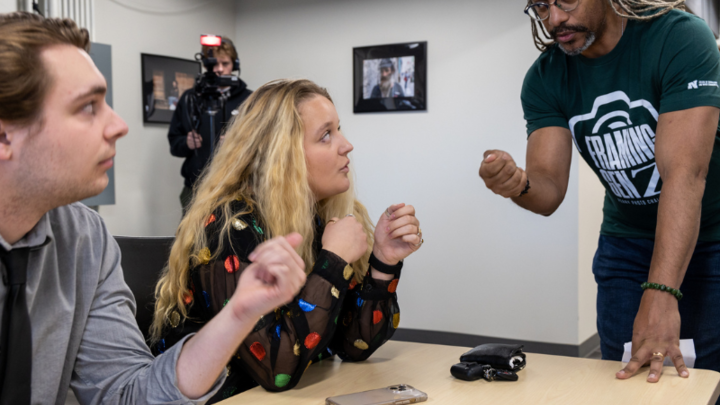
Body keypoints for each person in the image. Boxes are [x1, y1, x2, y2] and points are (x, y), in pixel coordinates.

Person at [0, 12, 306, 404]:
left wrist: (236, 316)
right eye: (87, 107)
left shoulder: (85, 241)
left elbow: (128, 393)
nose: (119, 125)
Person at [480, 0, 720, 385]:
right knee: (623, 379)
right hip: (625, 244)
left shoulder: (678, 37)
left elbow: (685, 176)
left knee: (704, 380)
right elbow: (548, 191)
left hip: (711, 239)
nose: (554, 19)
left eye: (565, 1)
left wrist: (661, 291)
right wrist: (517, 184)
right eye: (541, 6)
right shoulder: (546, 78)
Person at [151, 79, 423, 402]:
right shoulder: (229, 227)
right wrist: (333, 261)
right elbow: (275, 368)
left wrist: (383, 261)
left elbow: (352, 343)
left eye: (339, 130)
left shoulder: (315, 219)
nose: (346, 145)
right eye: (326, 135)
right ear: (284, 155)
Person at [168, 36, 252, 215]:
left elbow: (264, 144)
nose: (219, 69)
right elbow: (174, 144)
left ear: (234, 65)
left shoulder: (250, 100)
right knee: (191, 241)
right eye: (214, 64)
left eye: (225, 63)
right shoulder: (190, 99)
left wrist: (238, 143)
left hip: (237, 189)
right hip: (195, 189)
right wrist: (186, 143)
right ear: (206, 65)